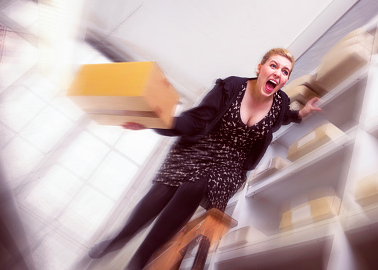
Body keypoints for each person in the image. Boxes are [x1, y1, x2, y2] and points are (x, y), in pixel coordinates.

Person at [88, 48, 321, 269]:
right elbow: (197, 120)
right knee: (166, 187)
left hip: (231, 164)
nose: (278, 73)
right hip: (202, 145)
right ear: (259, 68)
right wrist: (157, 121)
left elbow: (283, 118)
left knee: (197, 183)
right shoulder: (230, 87)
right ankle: (119, 239)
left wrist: (301, 114)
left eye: (285, 71)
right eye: (274, 66)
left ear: (285, 80)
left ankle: (141, 257)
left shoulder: (279, 104)